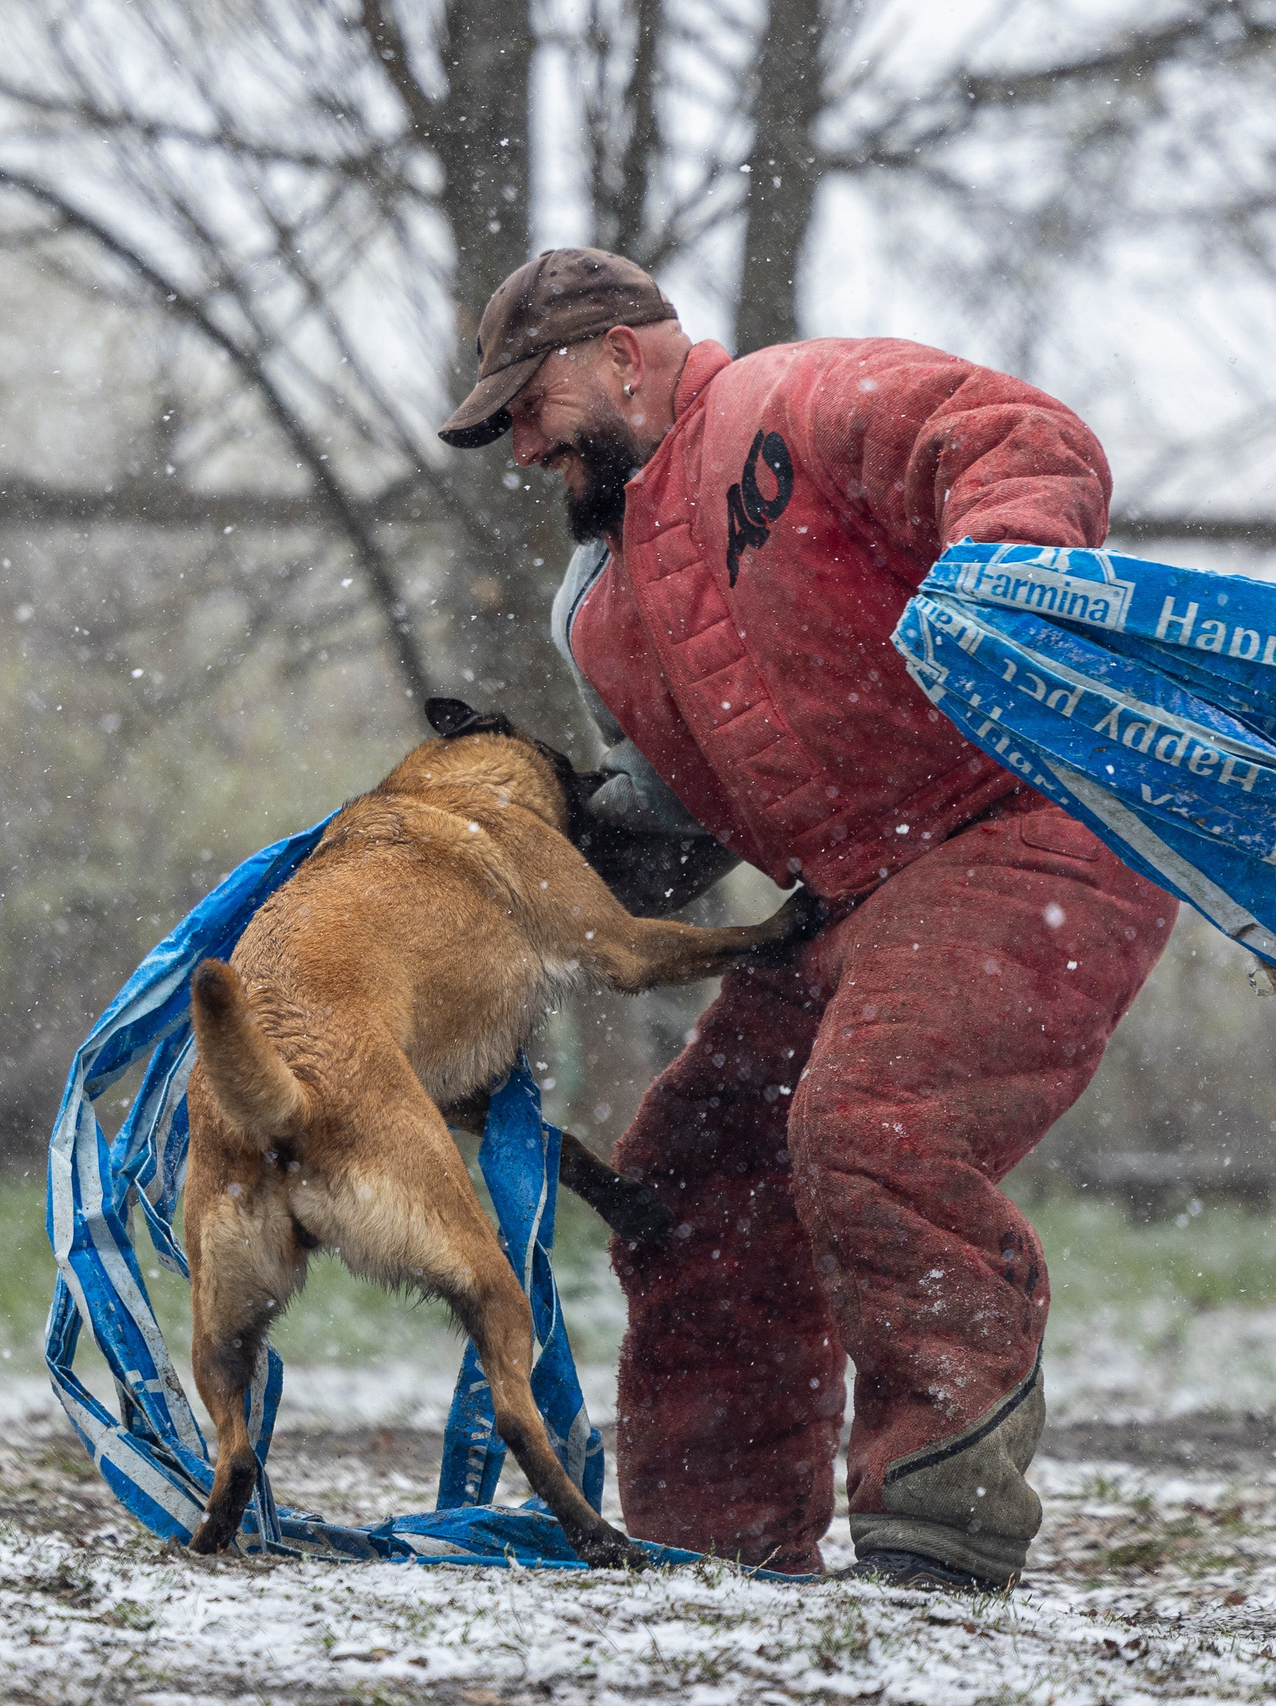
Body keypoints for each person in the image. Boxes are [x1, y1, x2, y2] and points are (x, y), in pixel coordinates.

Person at [438, 248, 1173, 1589]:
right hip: (847, 897)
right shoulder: (592, 608)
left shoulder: (795, 401)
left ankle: (942, 1518)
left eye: (527, 403)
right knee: (693, 1172)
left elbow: (1015, 434)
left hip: (1031, 828)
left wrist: (1011, 580)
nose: (519, 442)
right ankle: (720, 1545)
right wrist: (538, 841)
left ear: (623, 353)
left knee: (870, 1123)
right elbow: (677, 822)